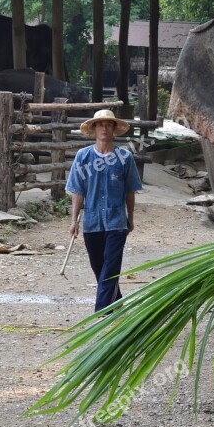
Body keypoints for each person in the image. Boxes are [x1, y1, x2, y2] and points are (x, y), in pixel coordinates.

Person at [65, 109, 143, 313]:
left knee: (111, 265)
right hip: (91, 221)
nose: (105, 128)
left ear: (114, 129)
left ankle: (101, 312)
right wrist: (74, 221)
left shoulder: (124, 158)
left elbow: (130, 191)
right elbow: (77, 191)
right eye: (100, 124)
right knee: (99, 267)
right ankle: (117, 304)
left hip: (116, 221)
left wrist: (130, 219)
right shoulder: (83, 156)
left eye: (109, 125)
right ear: (94, 129)